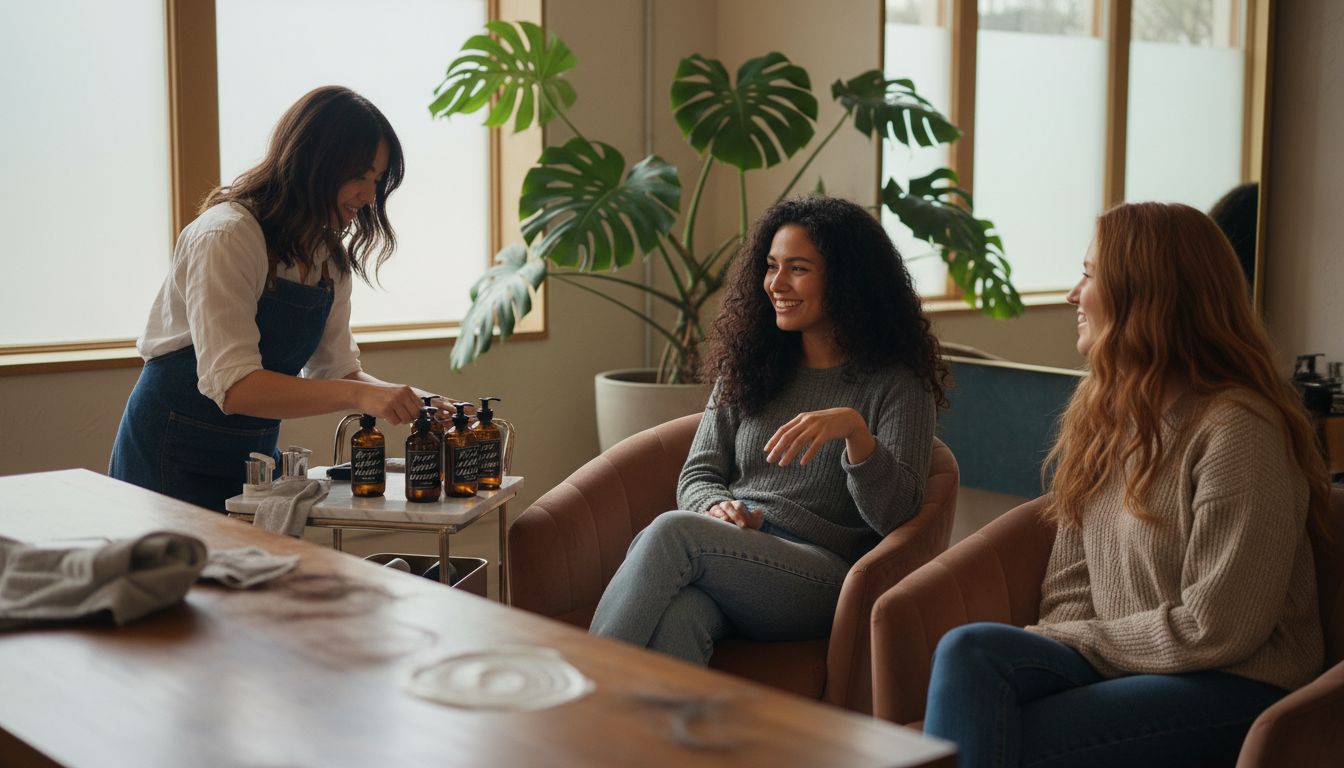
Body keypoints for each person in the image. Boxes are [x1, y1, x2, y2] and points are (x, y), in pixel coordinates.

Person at [923, 201, 1329, 767]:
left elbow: (1220, 630)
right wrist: (1070, 641)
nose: (1072, 294)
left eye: (1089, 274)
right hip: (1129, 663)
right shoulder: (1107, 417)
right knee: (969, 650)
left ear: (1146, 293)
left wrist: (1073, 644)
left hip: (1236, 683)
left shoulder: (1239, 430)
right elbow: (1067, 589)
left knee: (1006, 737)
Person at [589, 196, 947, 664]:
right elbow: (697, 474)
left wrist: (858, 437)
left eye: (797, 268)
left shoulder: (897, 383)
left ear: (846, 281)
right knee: (681, 617)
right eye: (772, 266)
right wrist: (718, 507)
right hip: (731, 554)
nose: (776, 283)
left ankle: (572, 693)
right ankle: (659, 738)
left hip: (819, 576)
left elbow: (898, 515)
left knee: (673, 533)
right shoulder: (751, 367)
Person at [110, 86, 456, 513]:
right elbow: (235, 387)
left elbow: (337, 370)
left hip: (251, 464)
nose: (369, 197)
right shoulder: (227, 236)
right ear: (315, 163)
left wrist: (415, 401)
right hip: (169, 457)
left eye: (376, 181)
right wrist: (362, 397)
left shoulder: (329, 259)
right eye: (359, 177)